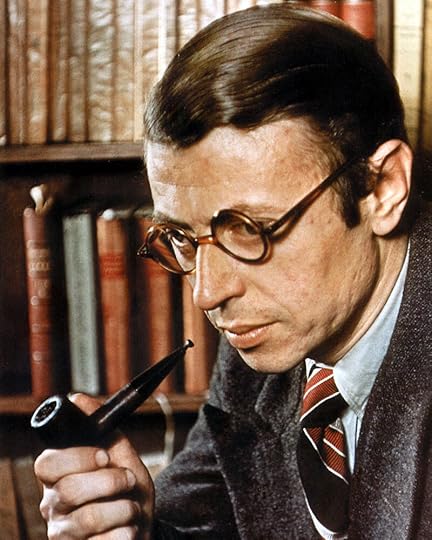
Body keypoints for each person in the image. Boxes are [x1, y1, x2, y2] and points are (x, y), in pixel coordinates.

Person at [34, 4, 432, 539]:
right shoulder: (269, 335)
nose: (207, 292)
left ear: (383, 188)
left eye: (250, 229)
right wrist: (135, 527)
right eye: (181, 237)